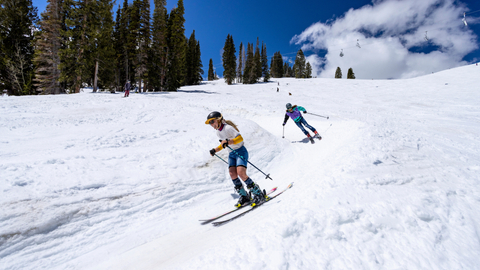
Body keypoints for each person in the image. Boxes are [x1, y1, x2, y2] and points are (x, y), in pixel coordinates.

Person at [206, 111, 268, 207]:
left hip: (240, 151)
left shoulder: (228, 128)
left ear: (218, 120)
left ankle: (258, 193)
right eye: (210, 123)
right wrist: (215, 150)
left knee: (241, 173)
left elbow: (240, 138)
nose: (211, 124)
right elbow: (223, 144)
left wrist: (229, 141)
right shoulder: (218, 132)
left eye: (212, 121)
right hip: (231, 154)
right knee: (232, 174)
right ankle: (244, 196)